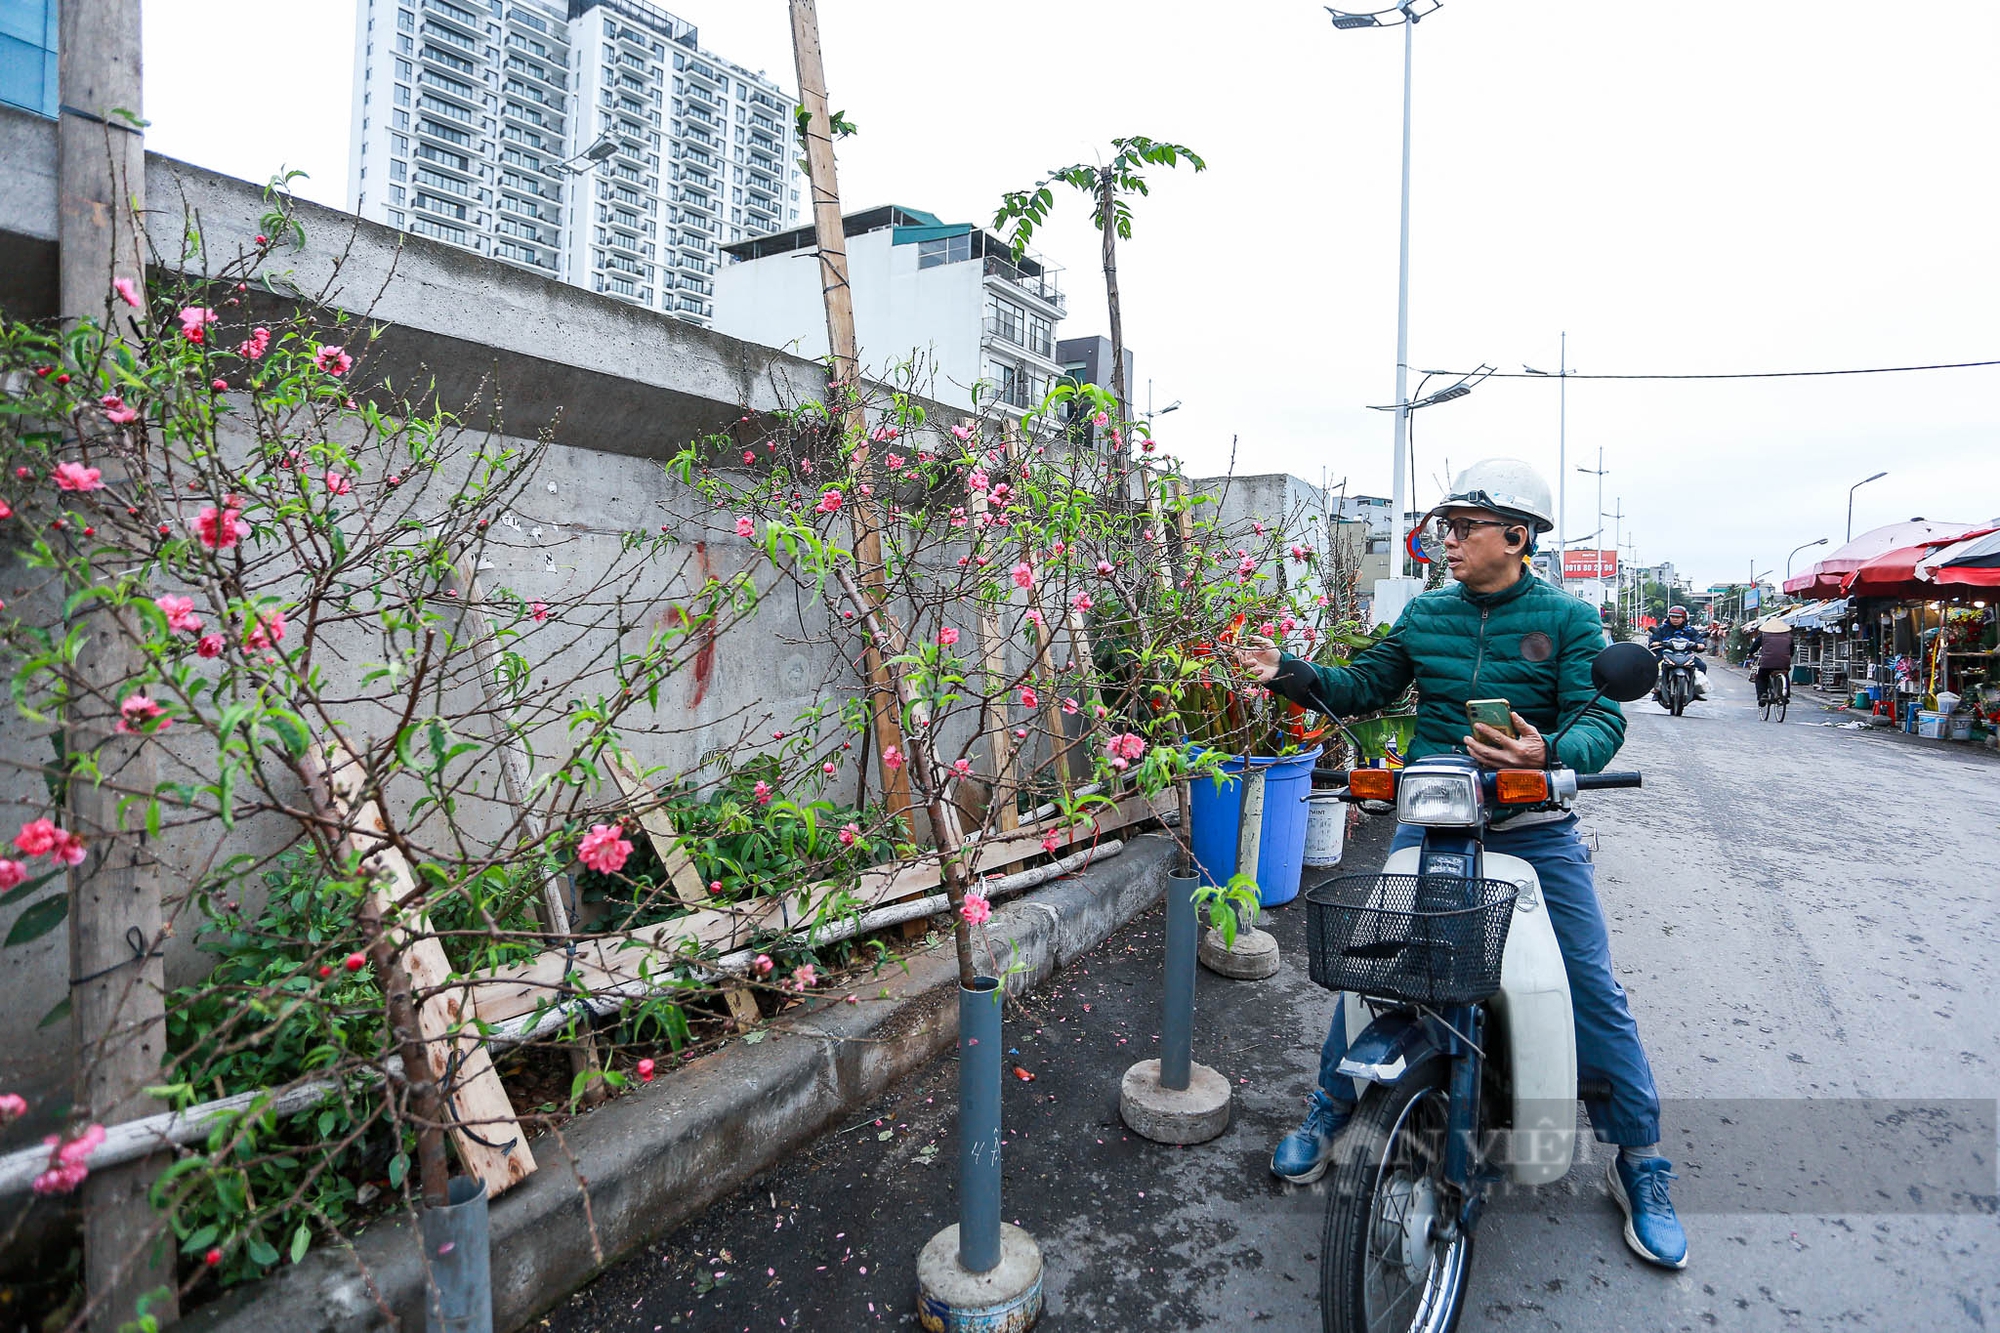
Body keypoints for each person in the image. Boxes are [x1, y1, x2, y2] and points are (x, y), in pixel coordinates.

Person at [1234, 457, 1688, 1270]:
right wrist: (1290, 674)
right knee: (1377, 962)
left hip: (1533, 823)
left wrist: (1550, 750)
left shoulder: (1569, 619)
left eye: (1464, 526)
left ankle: (1640, 1157)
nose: (1447, 539)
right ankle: (1328, 1108)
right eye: (1446, 526)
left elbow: (1600, 716)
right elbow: (1365, 682)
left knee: (1591, 986)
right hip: (1435, 815)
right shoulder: (1428, 615)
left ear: (1516, 537)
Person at [1648, 605, 1709, 700]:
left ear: (1684, 618)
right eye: (1672, 617)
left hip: (1686, 655)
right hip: (1665, 655)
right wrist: (1655, 643)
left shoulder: (1690, 630)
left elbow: (1699, 640)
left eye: (1678, 617)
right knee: (1652, 665)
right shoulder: (1662, 629)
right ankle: (1657, 689)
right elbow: (1653, 641)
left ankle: (1694, 690)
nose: (1675, 619)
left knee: (1701, 666)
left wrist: (1700, 645)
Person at [1754, 616, 1795, 704]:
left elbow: (1755, 646)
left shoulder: (1763, 635)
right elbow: (1791, 650)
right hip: (1784, 663)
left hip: (1767, 663)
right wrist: (1788, 657)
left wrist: (1749, 654)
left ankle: (1763, 694)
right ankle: (1785, 695)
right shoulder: (1789, 636)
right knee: (1785, 674)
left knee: (1761, 677)